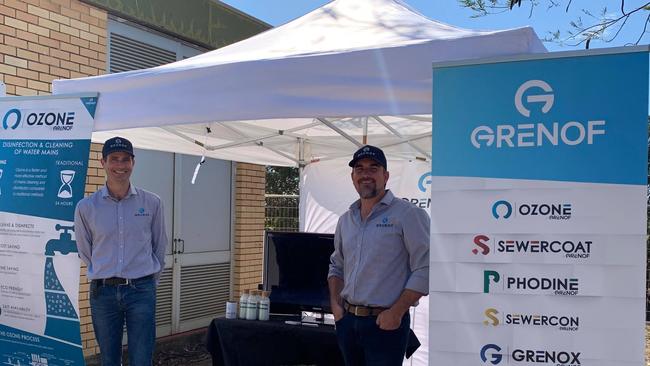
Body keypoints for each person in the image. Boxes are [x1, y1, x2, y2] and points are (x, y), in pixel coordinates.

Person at [328, 145, 430, 366]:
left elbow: (426, 267)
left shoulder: (408, 215)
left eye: (373, 168)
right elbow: (336, 265)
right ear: (353, 177)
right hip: (348, 321)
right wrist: (336, 306)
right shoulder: (346, 220)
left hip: (386, 324)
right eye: (359, 168)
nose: (366, 173)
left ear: (386, 176)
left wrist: (397, 312)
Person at [74, 136, 168, 366]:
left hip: (141, 291)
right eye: (114, 159)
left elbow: (160, 245)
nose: (120, 165)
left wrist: (147, 282)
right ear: (103, 162)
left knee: (142, 358)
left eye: (126, 159)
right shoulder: (86, 207)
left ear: (133, 163)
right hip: (103, 293)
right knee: (109, 359)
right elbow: (86, 251)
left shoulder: (152, 202)